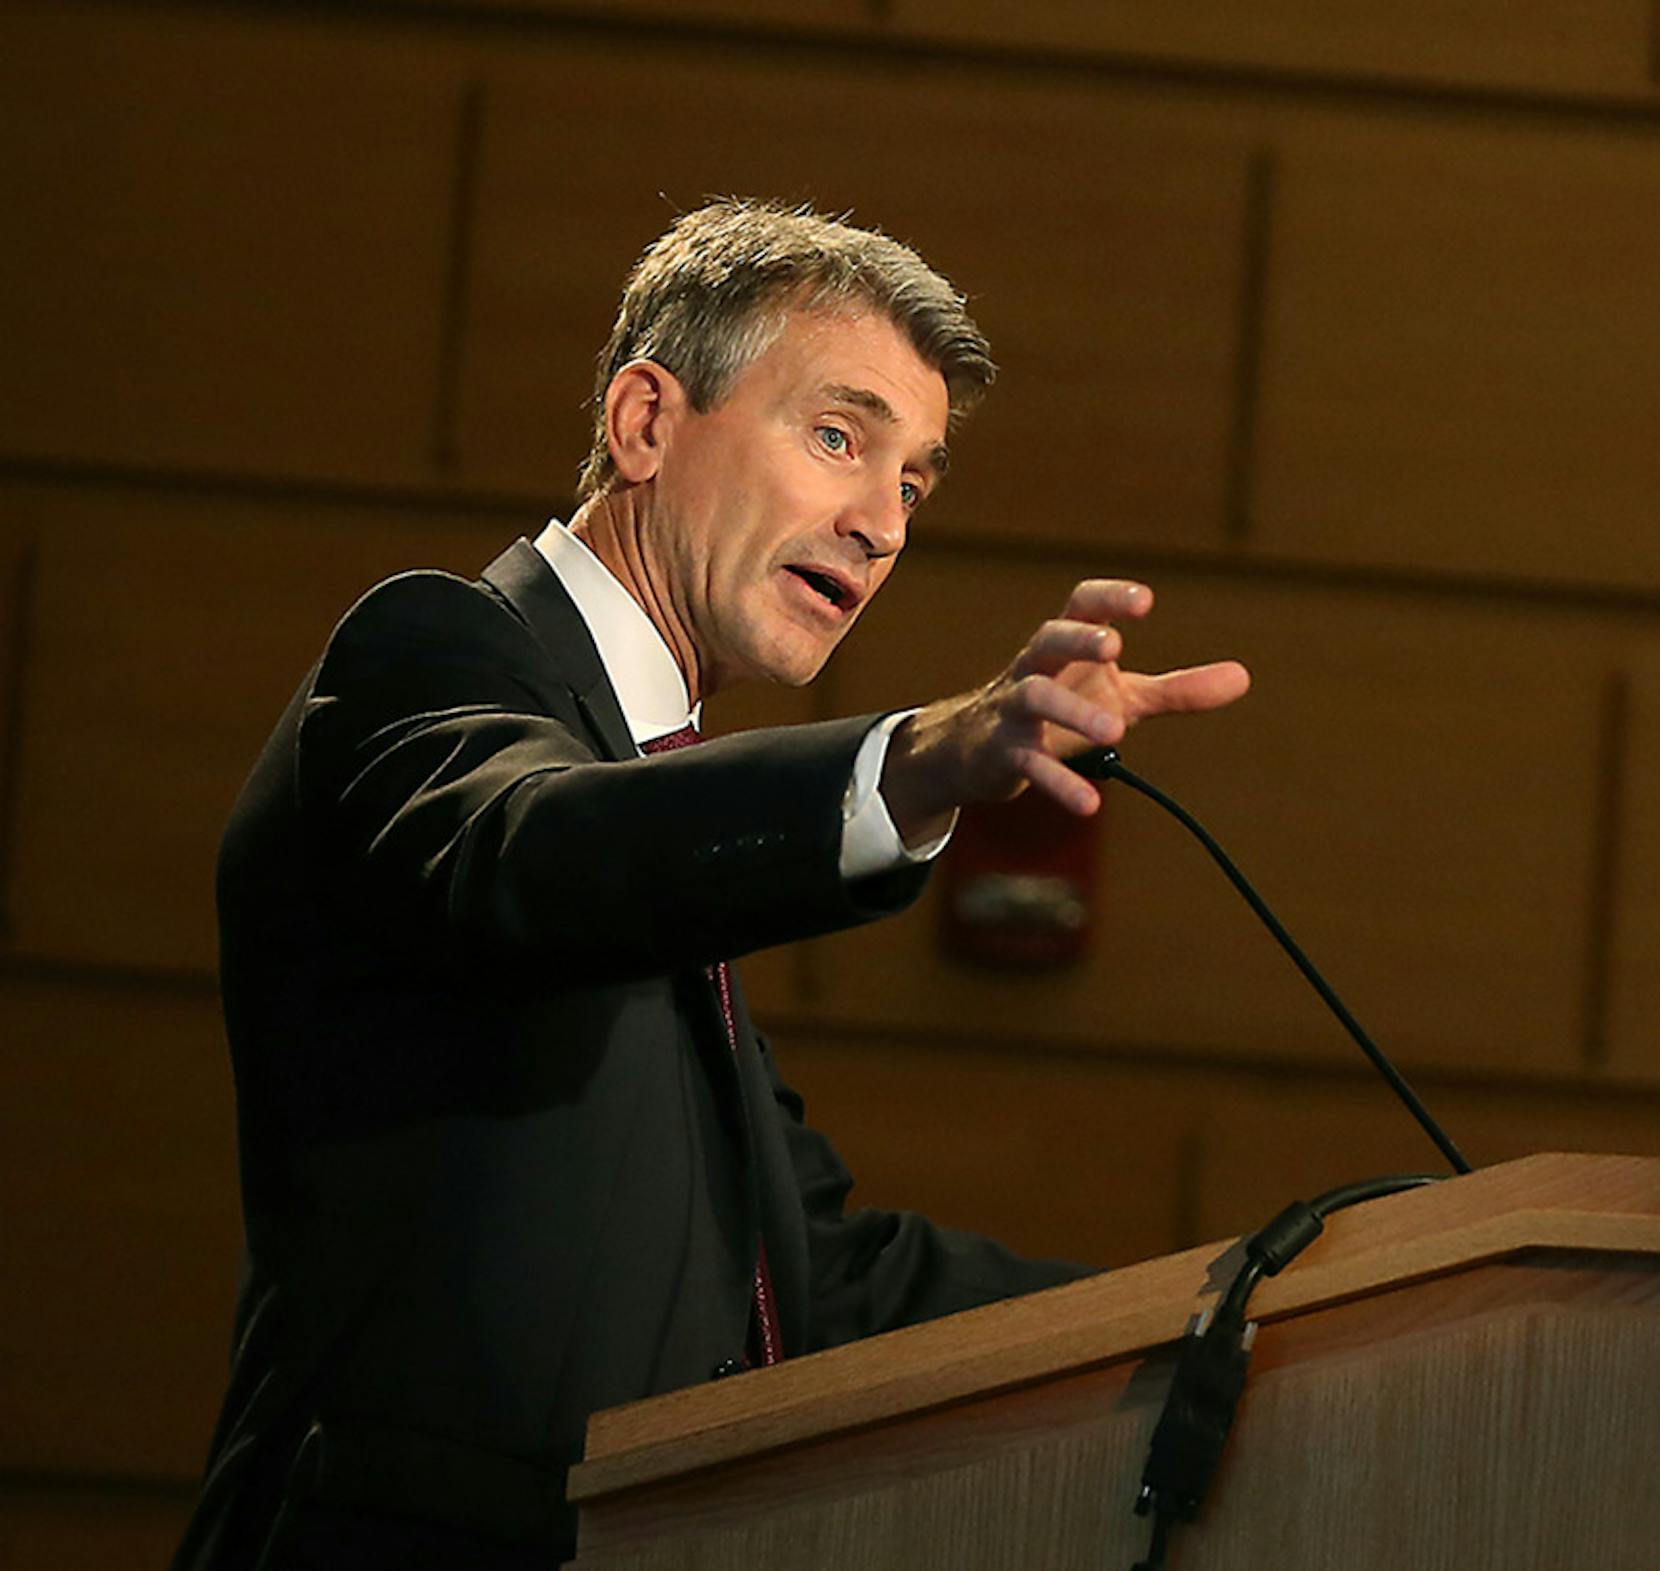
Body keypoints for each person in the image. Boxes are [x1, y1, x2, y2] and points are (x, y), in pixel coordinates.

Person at [170, 199, 1250, 1570]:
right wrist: (909, 767)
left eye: (916, 481)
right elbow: (526, 853)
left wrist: (1236, 1306)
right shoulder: (429, 652)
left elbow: (810, 1277)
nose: (882, 525)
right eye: (839, 436)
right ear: (643, 424)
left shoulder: (665, 808)